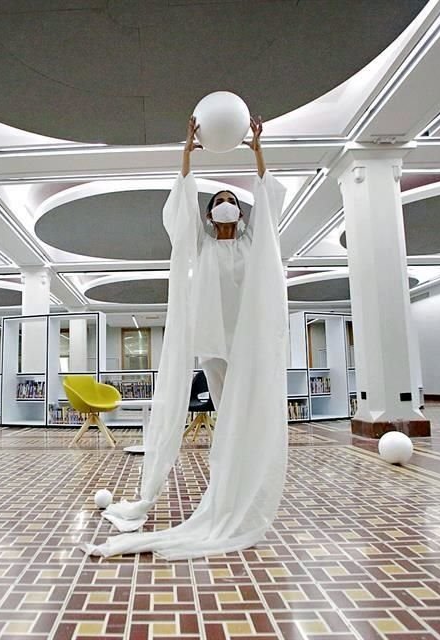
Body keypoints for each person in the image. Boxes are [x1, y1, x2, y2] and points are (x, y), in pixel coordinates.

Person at [83, 114, 289, 560]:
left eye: (232, 199)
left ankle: (243, 491)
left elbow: (269, 200)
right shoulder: (203, 245)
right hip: (215, 341)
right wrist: (186, 158)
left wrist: (255, 148)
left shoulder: (255, 243)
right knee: (227, 412)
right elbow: (180, 212)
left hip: (249, 343)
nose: (226, 204)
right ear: (210, 214)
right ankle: (228, 489)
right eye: (218, 200)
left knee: (248, 413)